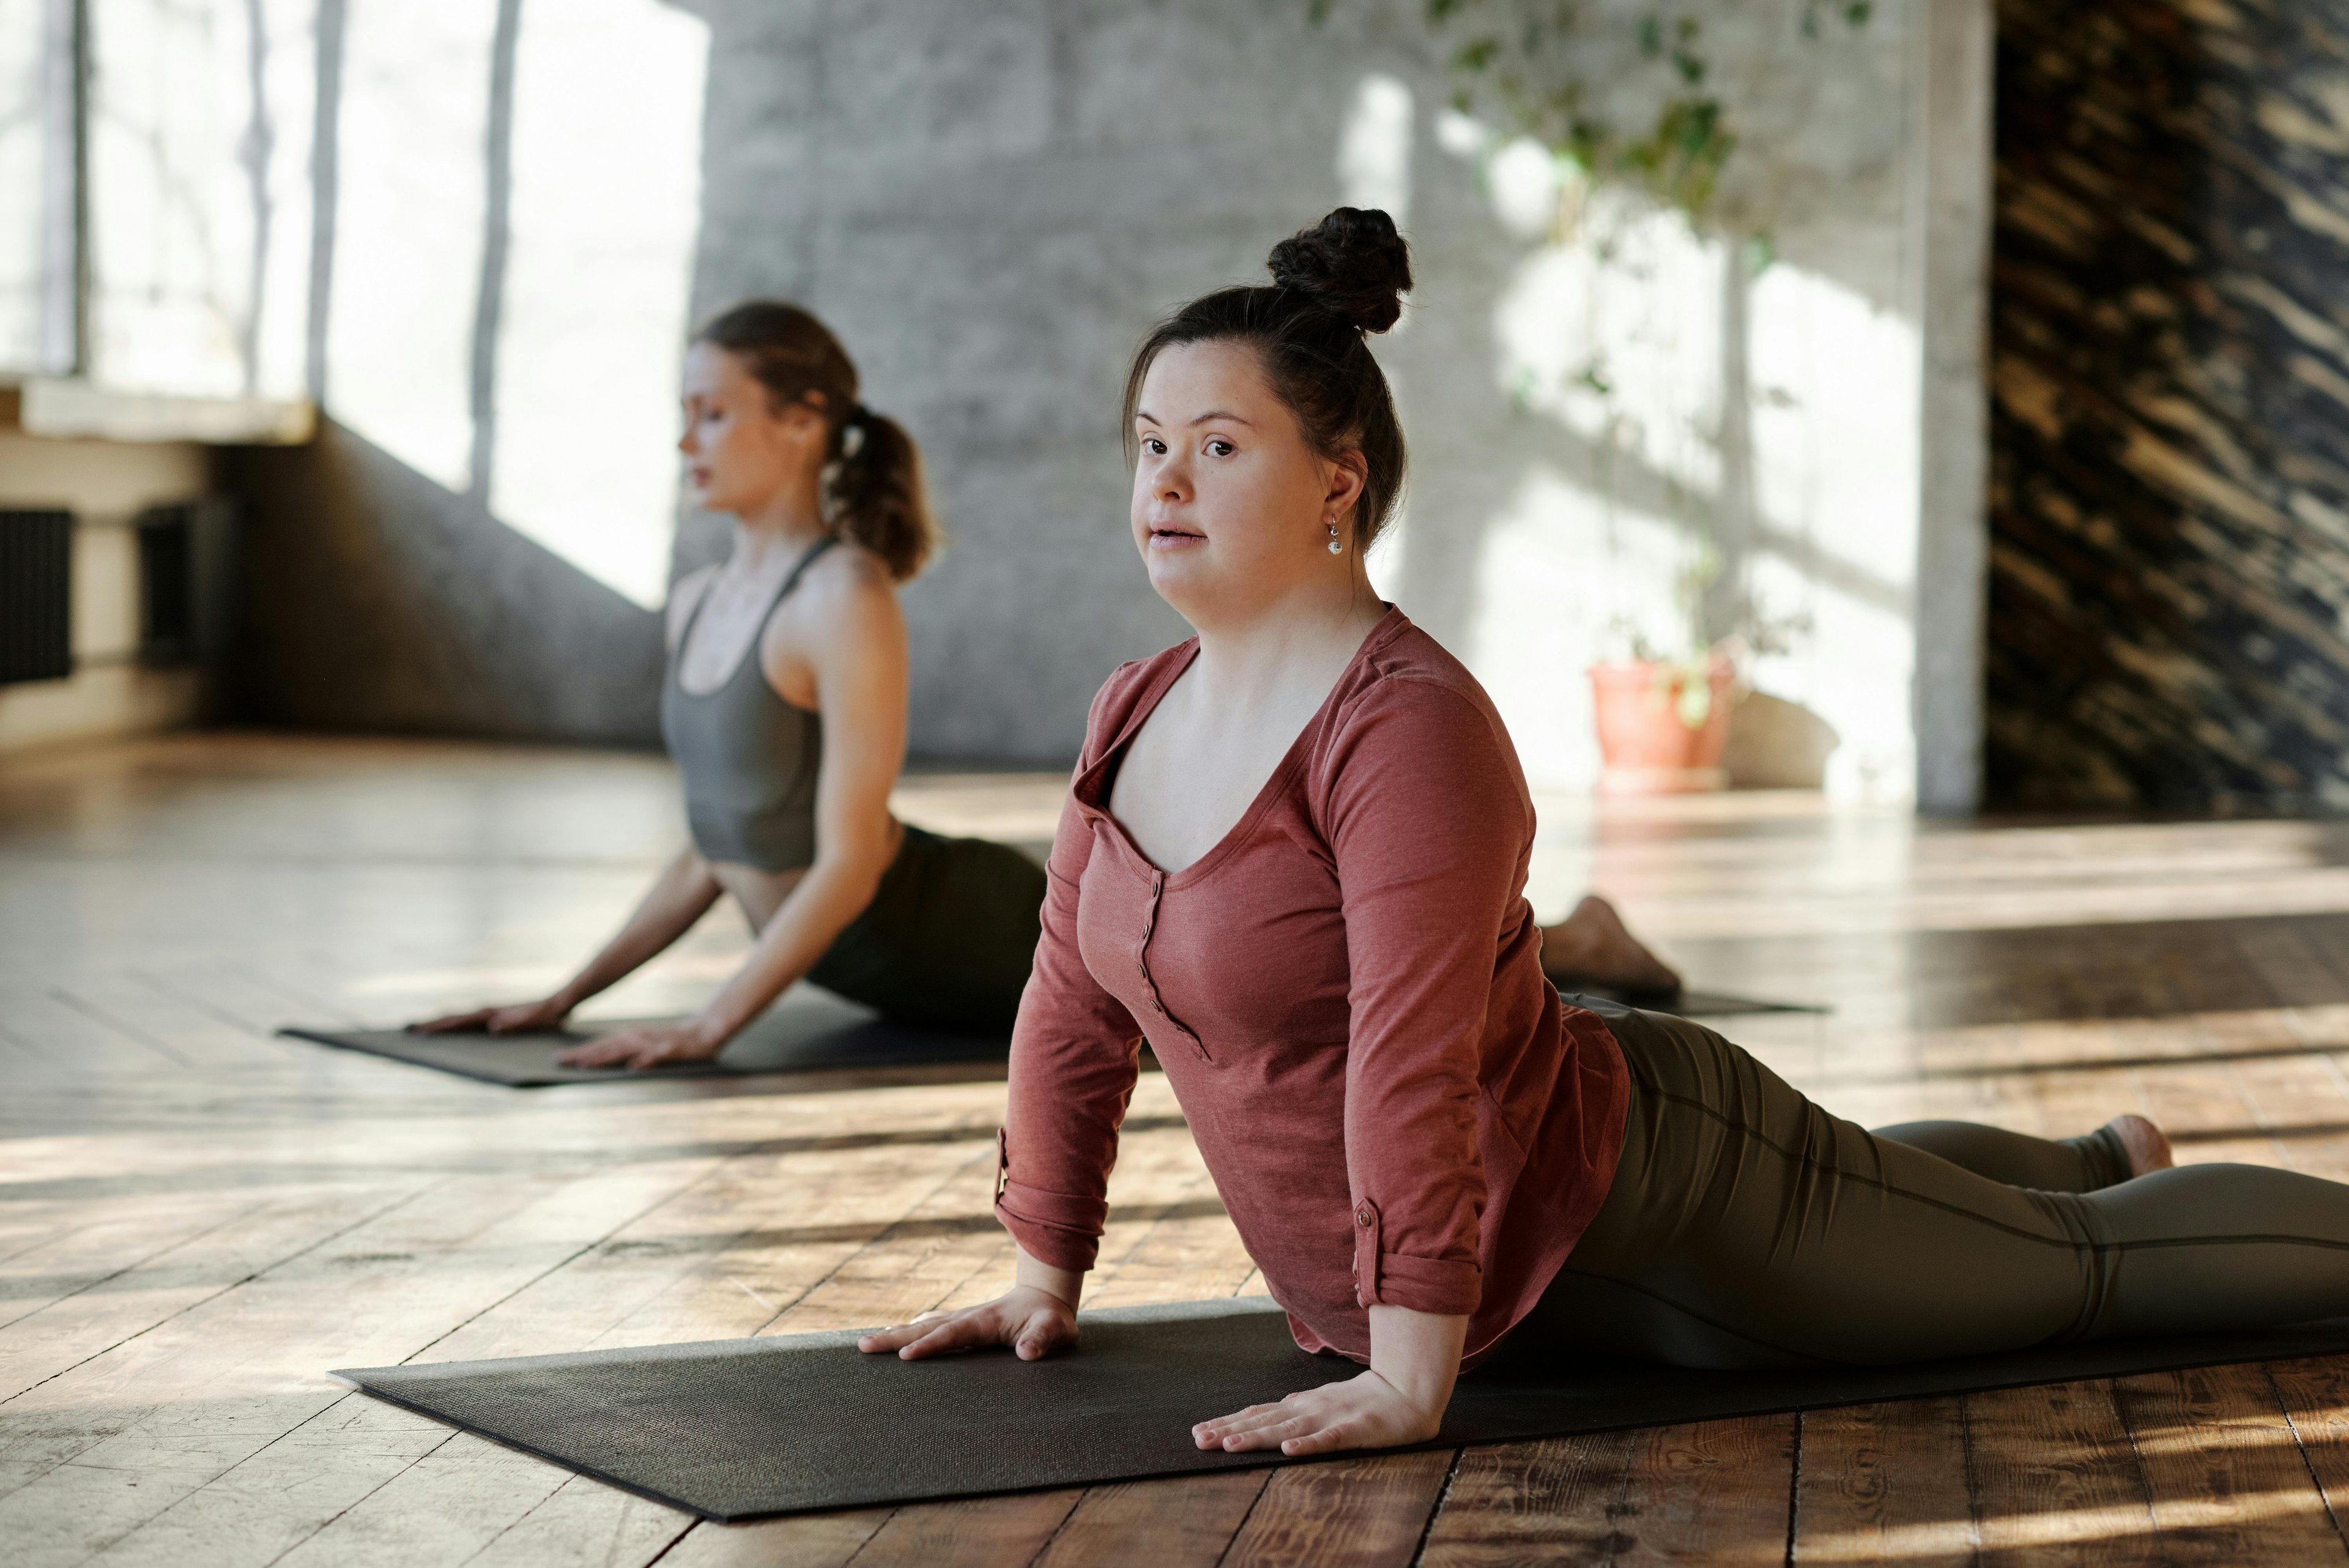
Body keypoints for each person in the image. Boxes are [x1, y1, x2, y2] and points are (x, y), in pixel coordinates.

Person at [855, 207, 2349, 1458]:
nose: (1164, 482)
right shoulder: (1133, 705)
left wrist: (1407, 1371)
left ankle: (2103, 1192)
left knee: (2085, 1281)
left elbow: (1409, 1053)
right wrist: (1042, 1271)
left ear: (1336, 483)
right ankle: (2094, 1151)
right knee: (1930, 1204)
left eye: (1220, 447)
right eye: (1148, 443)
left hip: (1649, 1213)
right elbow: (1066, 1001)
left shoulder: (1404, 727)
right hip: (1482, 1269)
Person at [415, 303, 1048, 1067]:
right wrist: (564, 998)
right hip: (889, 970)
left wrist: (709, 1026)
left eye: (712, 414)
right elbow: (712, 850)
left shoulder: (842, 597)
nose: (686, 442)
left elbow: (849, 865)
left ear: (803, 422)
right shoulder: (697, 602)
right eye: (685, 416)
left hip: (991, 934)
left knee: (1196, 1011)